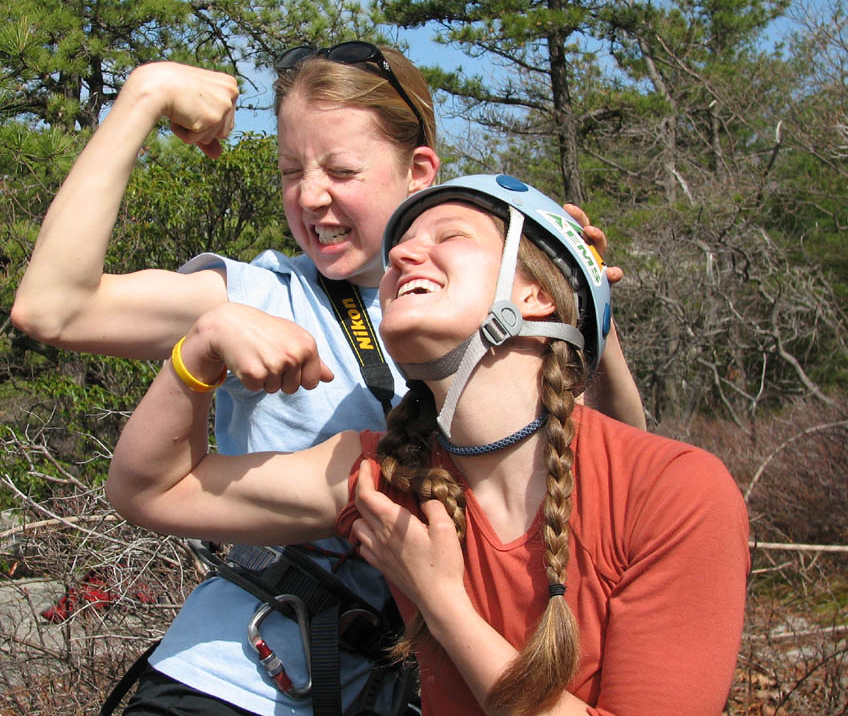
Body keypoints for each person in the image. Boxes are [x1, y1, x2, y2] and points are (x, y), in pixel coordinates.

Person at [11, 44, 646, 715]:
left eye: (342, 170)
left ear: (418, 171)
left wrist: (580, 301)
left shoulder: (483, 305)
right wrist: (143, 96)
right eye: (291, 172)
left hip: (397, 689)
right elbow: (51, 306)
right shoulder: (260, 295)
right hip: (235, 680)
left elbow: (613, 483)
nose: (310, 195)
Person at [107, 174, 750, 716]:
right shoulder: (389, 479)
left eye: (449, 238)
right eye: (399, 252)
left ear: (535, 295)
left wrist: (441, 599)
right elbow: (152, 490)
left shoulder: (676, 493)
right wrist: (197, 353)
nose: (403, 259)